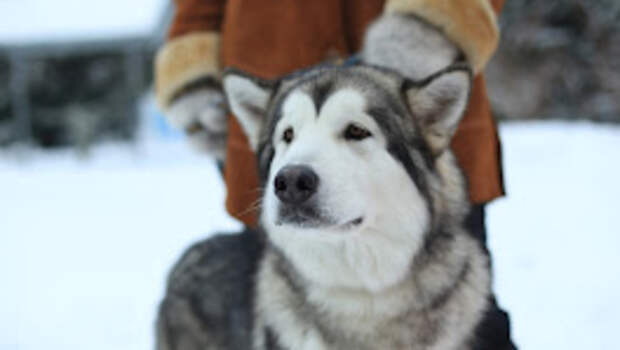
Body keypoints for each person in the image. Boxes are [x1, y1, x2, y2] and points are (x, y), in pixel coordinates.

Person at [155, 0, 514, 348]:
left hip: (418, 85)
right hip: (264, 63)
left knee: (469, 315)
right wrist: (193, 69)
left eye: (354, 132)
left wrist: (433, 21)